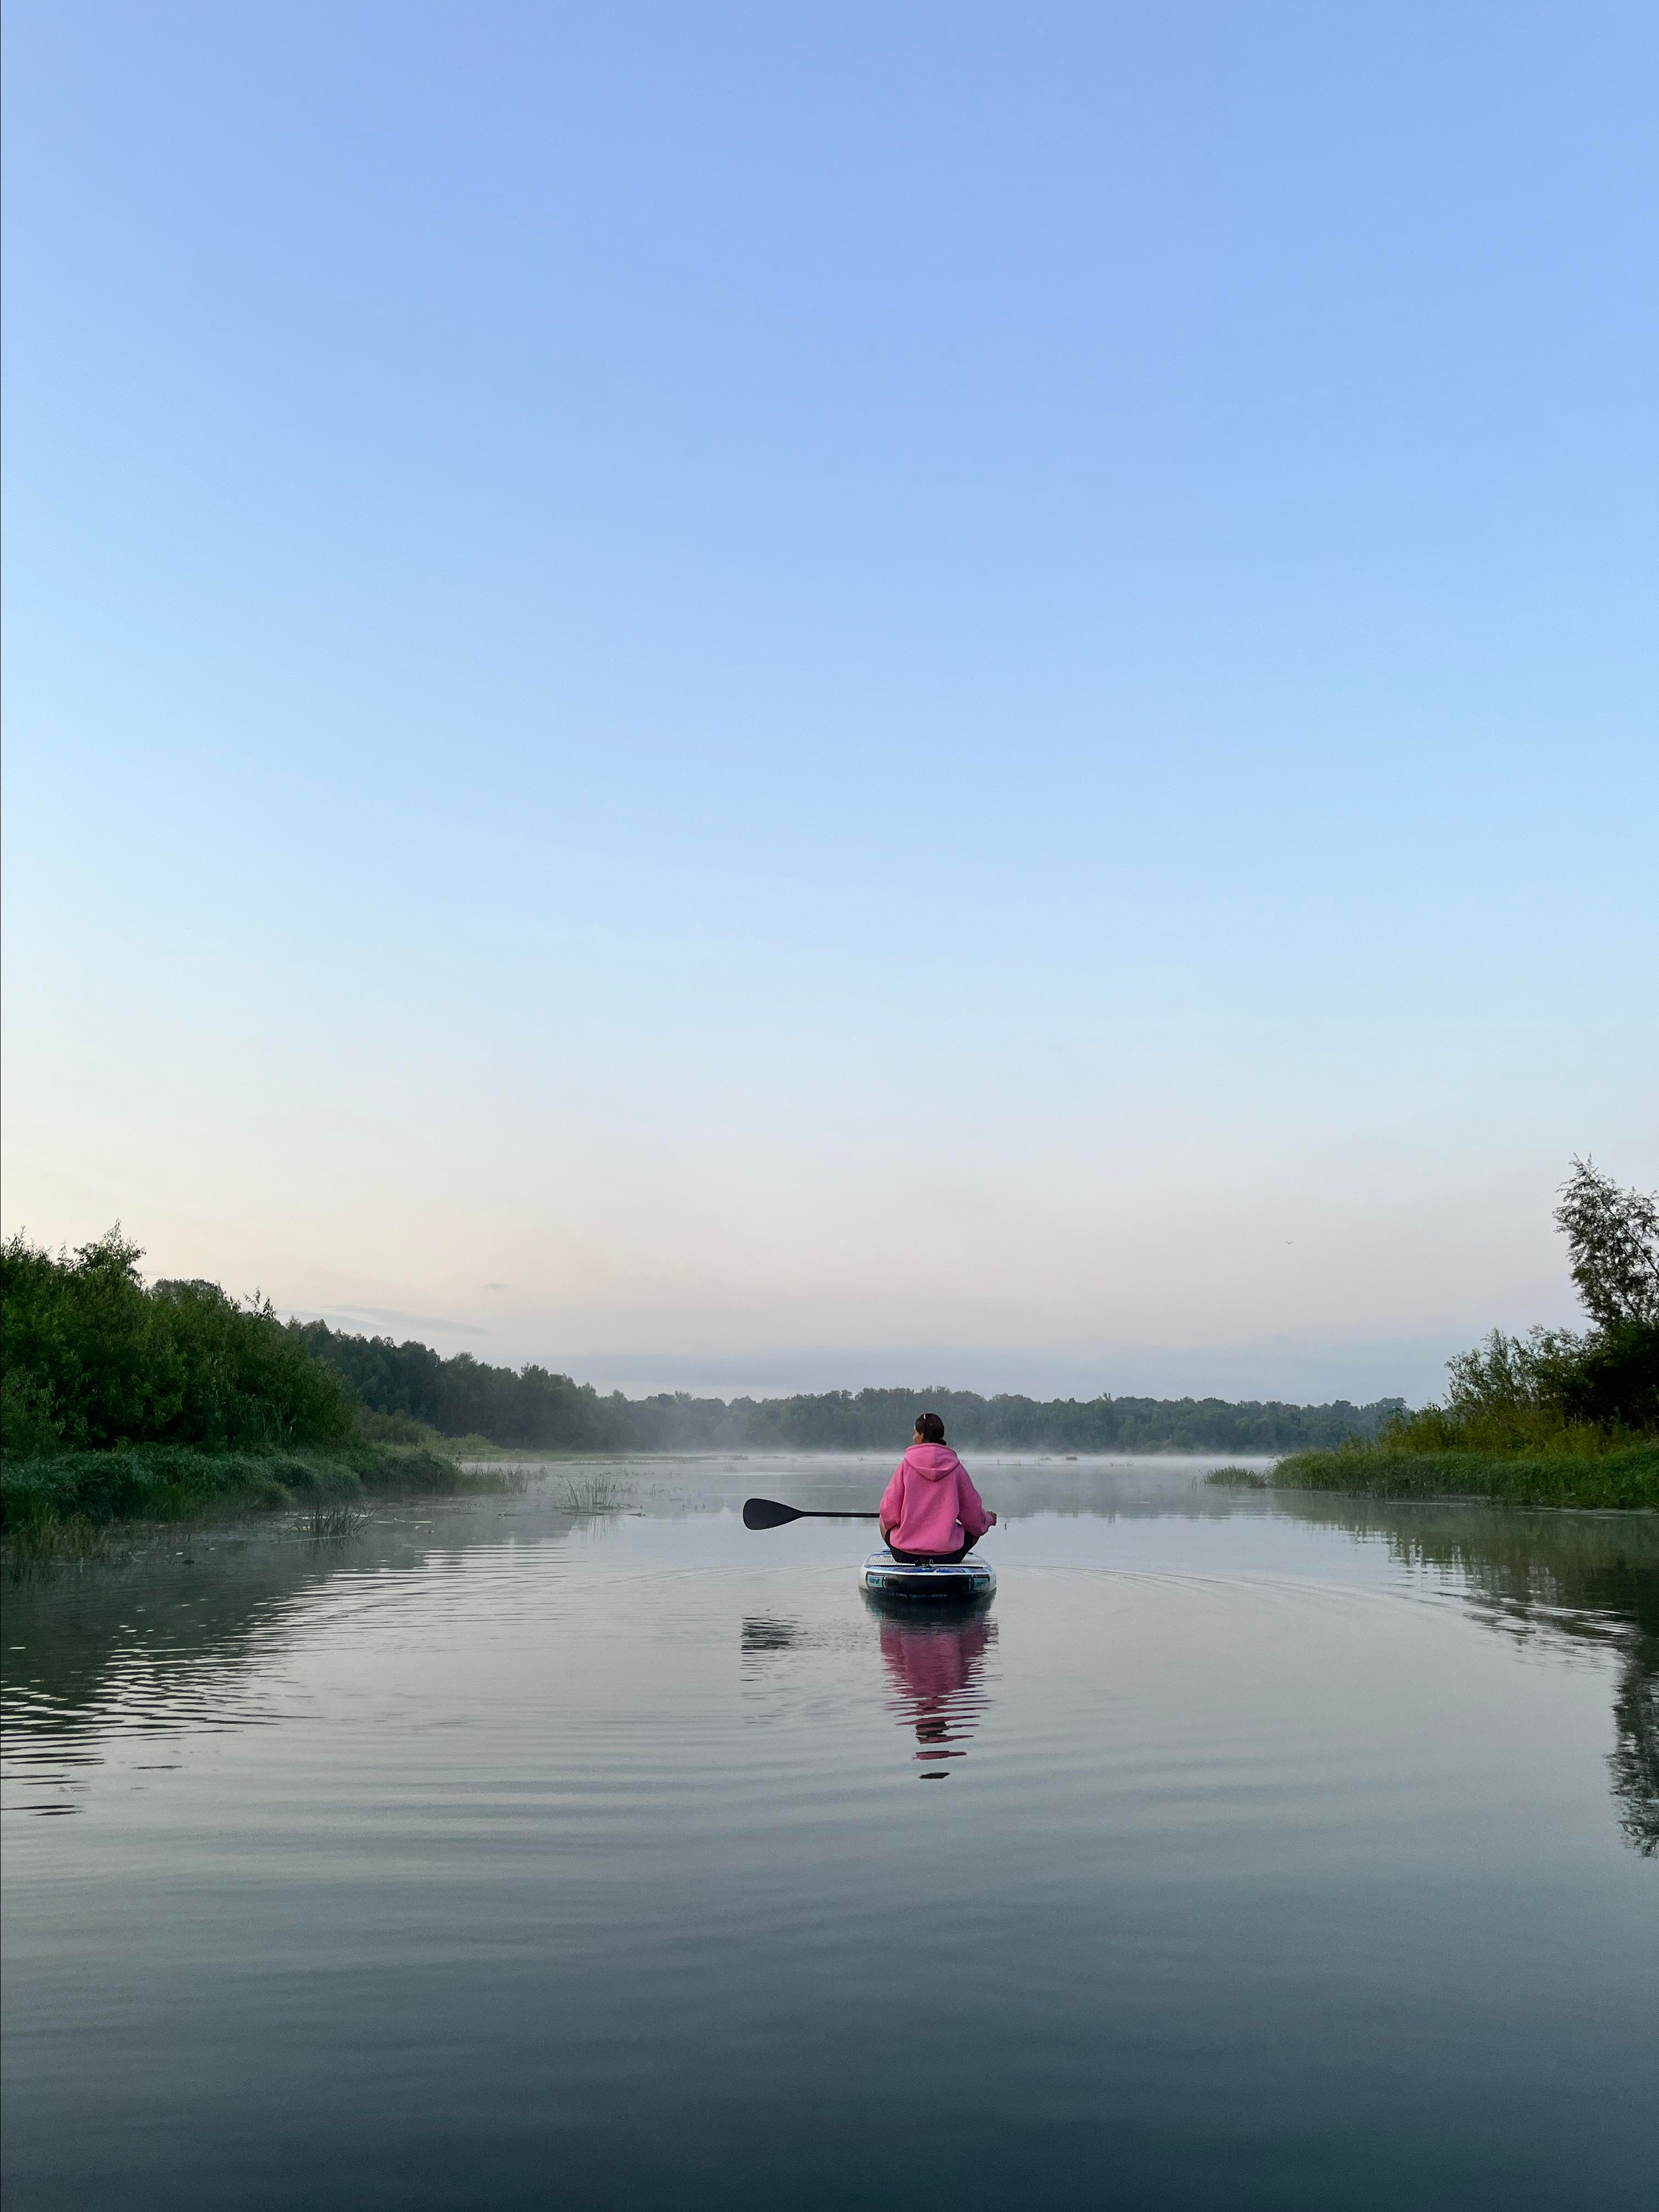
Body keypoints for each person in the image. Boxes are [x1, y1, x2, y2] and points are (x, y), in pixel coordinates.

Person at [878, 1412, 997, 1563]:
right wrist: (988, 1519)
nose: (913, 1437)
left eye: (915, 1433)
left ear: (921, 1436)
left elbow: (888, 1512)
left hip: (905, 1554)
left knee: (883, 1520)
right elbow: (974, 1518)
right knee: (976, 1529)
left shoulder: (905, 1467)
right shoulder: (957, 1469)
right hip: (950, 1555)